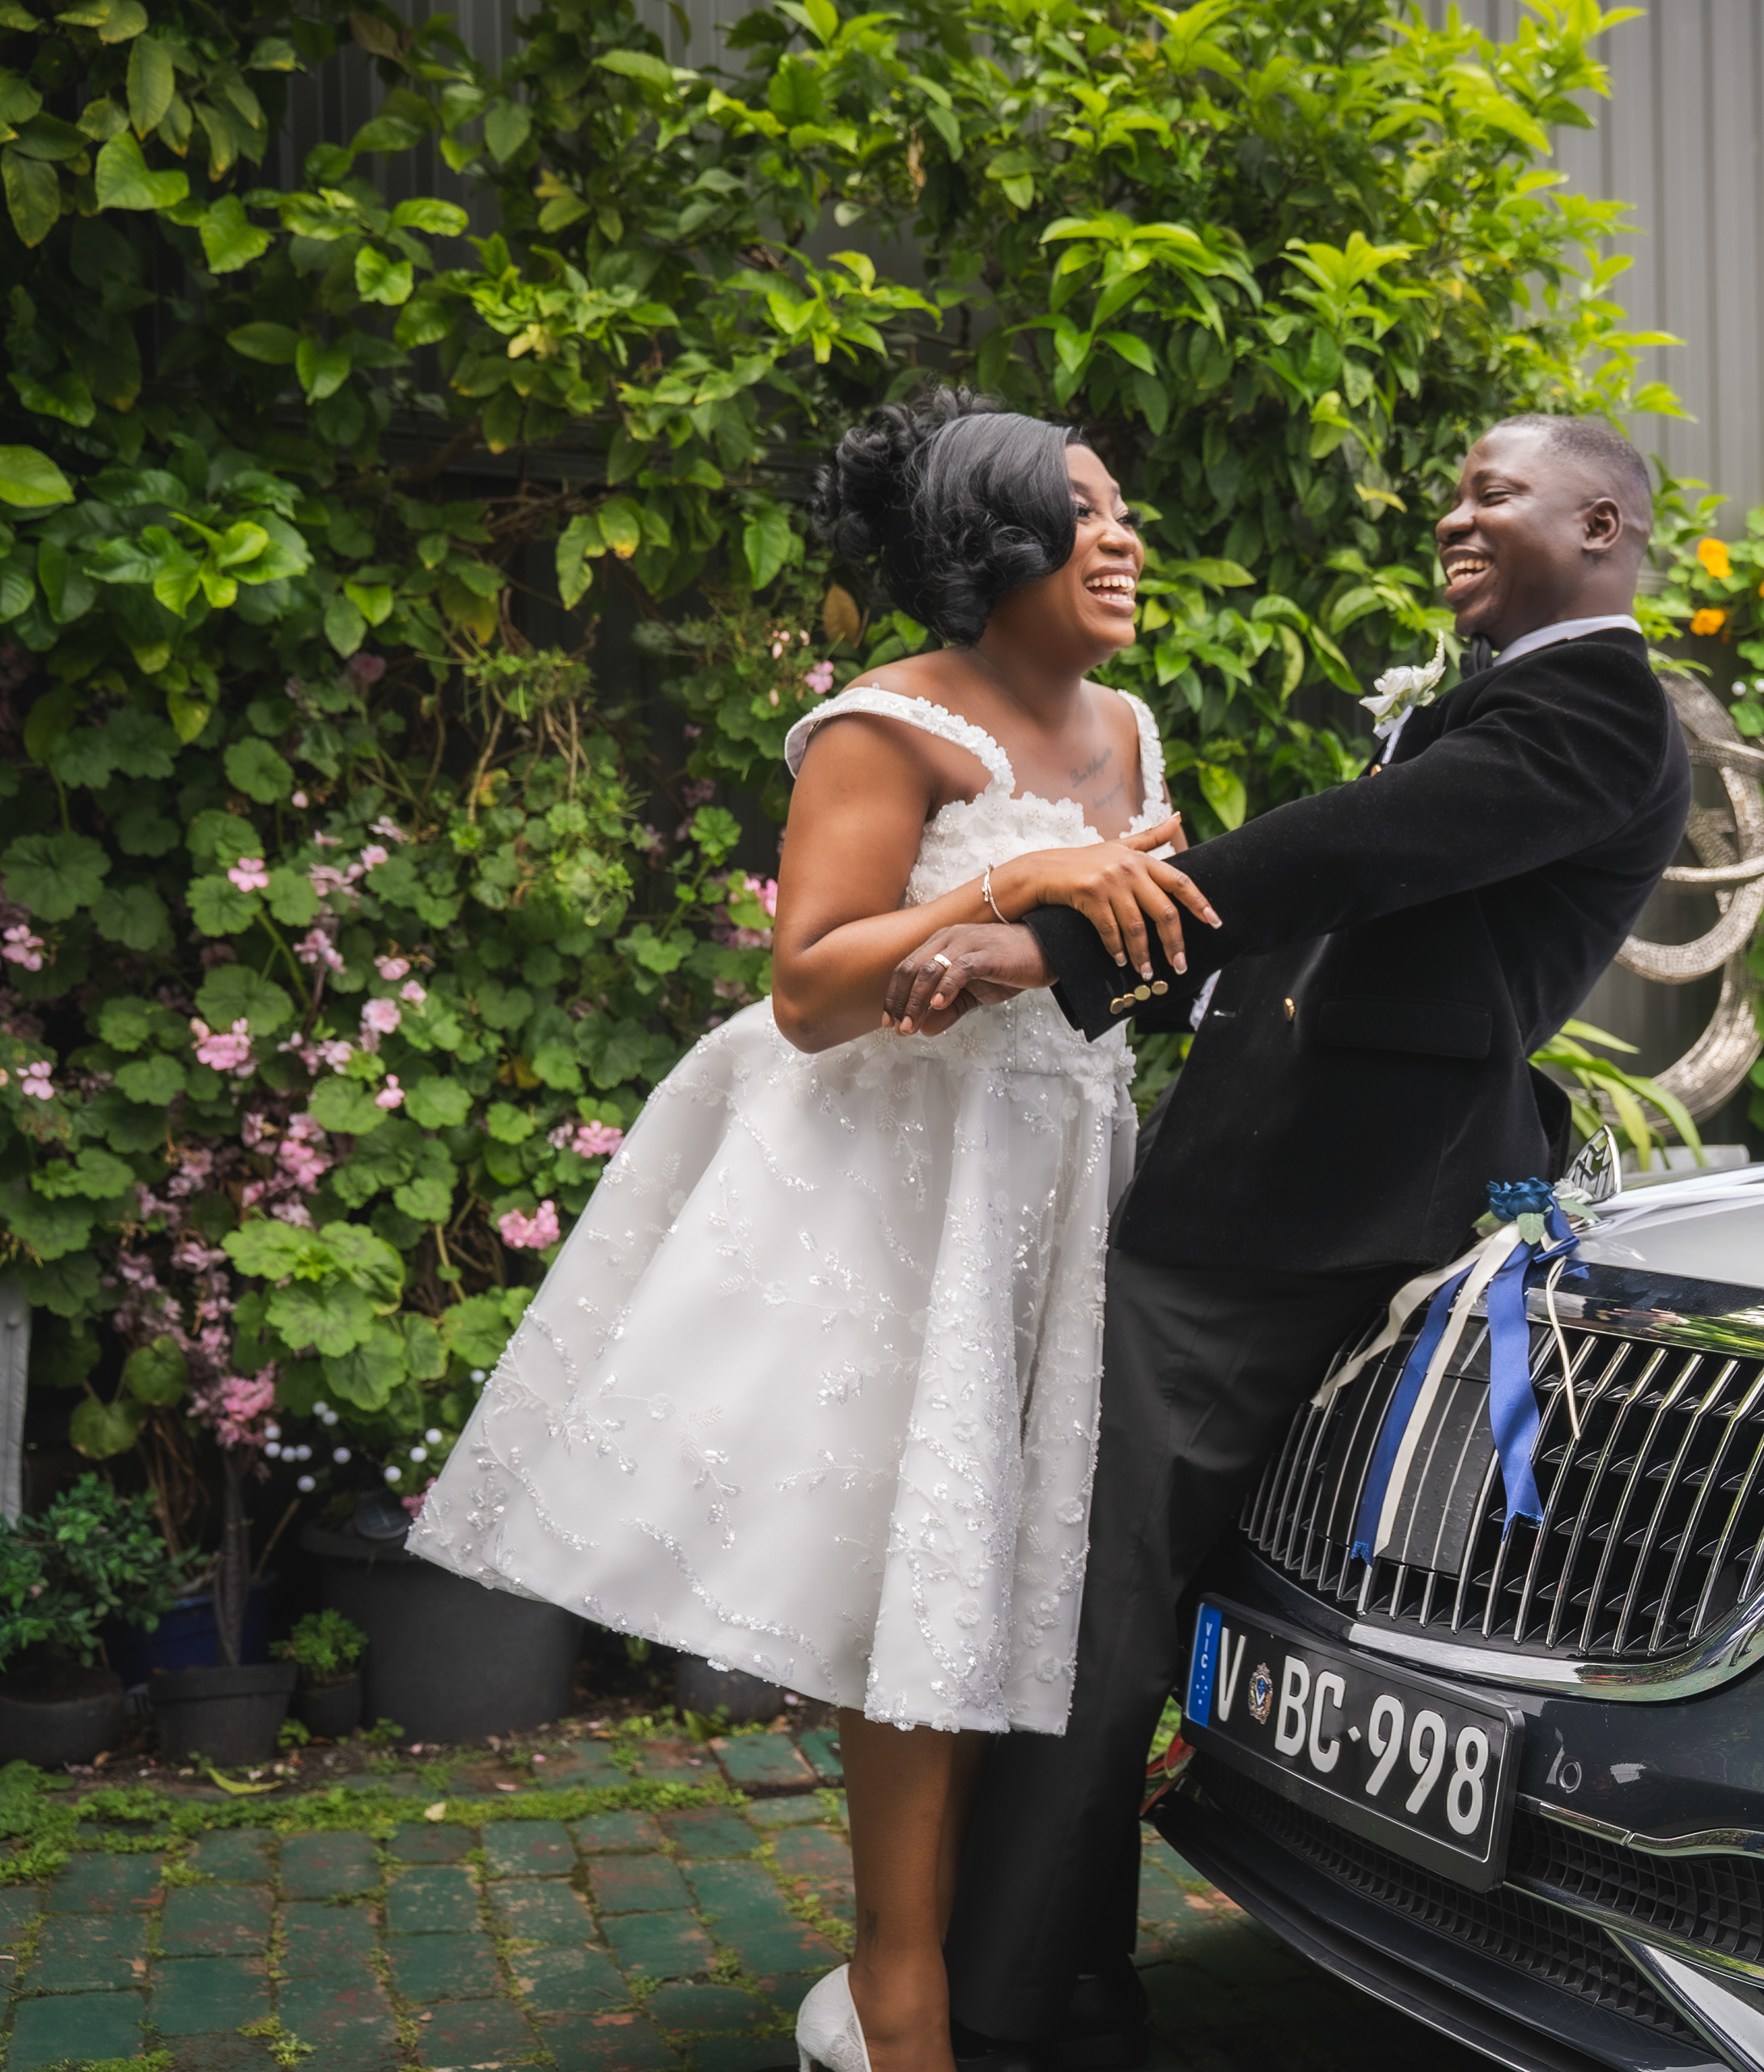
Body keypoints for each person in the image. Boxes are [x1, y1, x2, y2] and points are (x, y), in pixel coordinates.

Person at [408, 388, 1215, 2072]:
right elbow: (809, 989)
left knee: (1017, 1584)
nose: (1123, 535)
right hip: (909, 1190)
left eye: (1124, 507)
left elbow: (1141, 950)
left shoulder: (1131, 724)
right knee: (921, 1579)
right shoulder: (884, 727)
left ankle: (988, 1950)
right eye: (1083, 510)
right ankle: (898, 1984)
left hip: (1070, 1181)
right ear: (996, 542)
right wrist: (1012, 886)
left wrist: (1111, 931)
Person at [880, 414, 1694, 2070]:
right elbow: (1357, 905)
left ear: (1603, 524)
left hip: (1297, 1208)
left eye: (1493, 494)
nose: (1455, 517)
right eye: (1456, 493)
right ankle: (1067, 1973)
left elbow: (1355, 853)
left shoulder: (1602, 706)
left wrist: (1066, 945)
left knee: (1093, 1592)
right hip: (1317, 1184)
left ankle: (1007, 2006)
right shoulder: (1512, 700)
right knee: (1136, 1587)